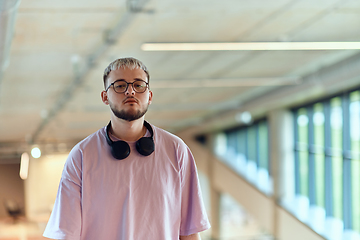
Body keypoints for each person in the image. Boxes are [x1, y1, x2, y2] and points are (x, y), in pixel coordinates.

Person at [43, 57, 211, 240]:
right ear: (105, 97)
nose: (130, 91)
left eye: (139, 85)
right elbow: (66, 235)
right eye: (120, 85)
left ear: (150, 95)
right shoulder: (82, 155)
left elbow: (190, 232)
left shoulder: (177, 150)